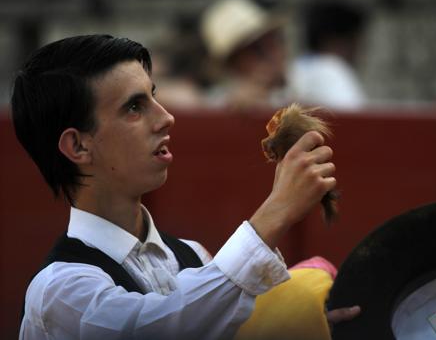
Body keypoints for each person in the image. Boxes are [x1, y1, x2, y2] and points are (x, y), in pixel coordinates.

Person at [12, 34, 358, 339]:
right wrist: (275, 211)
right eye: (134, 107)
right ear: (78, 147)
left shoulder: (193, 256)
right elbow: (161, 330)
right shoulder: (59, 291)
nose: (166, 118)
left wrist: (300, 324)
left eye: (153, 96)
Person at [201, 0, 288, 110]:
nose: (272, 52)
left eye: (274, 38)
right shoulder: (217, 104)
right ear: (233, 64)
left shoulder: (310, 78)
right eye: (256, 48)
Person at [288, 0, 369, 110]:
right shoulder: (333, 69)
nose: (359, 51)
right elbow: (360, 120)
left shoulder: (293, 68)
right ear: (336, 40)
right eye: (356, 42)